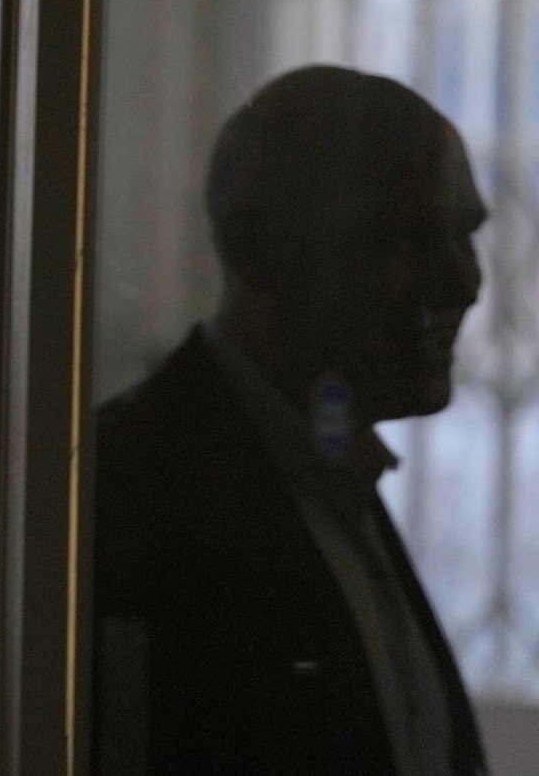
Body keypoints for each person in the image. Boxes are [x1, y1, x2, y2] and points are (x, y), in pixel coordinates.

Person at [94, 66, 488, 774]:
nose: (467, 283)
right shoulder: (130, 494)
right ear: (258, 250)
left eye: (463, 235)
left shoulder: (332, 476)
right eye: (407, 239)